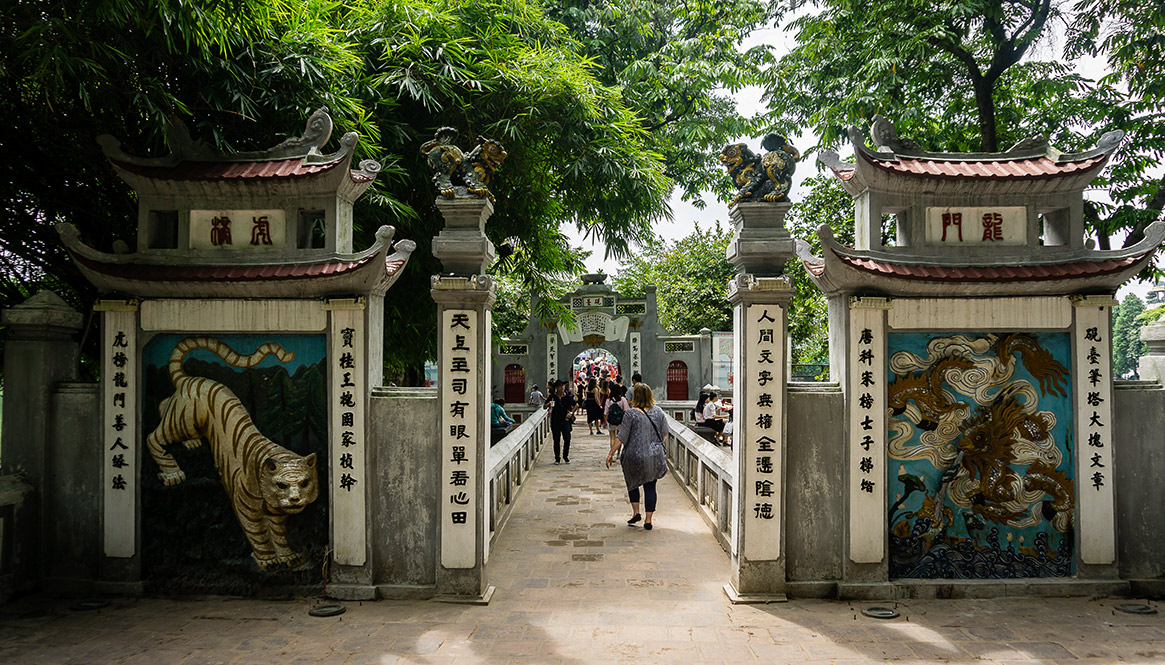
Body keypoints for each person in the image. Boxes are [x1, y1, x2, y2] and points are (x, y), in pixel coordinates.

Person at [606, 383, 668, 530]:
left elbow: (621, 437)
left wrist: (611, 453)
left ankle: (636, 512)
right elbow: (665, 433)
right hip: (654, 456)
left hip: (634, 455)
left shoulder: (631, 414)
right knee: (650, 486)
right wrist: (654, 444)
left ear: (635, 397)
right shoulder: (658, 412)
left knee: (632, 482)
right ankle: (648, 520)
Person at [545, 381, 577, 464]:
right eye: (560, 386)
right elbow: (544, 407)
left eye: (562, 386)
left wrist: (571, 413)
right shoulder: (552, 397)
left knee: (567, 439)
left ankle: (565, 456)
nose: (561, 388)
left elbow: (576, 405)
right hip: (555, 420)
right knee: (556, 440)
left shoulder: (567, 397)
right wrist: (548, 404)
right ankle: (557, 458)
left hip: (565, 420)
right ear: (556, 388)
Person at [604, 384, 630, 452]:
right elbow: (626, 411)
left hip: (611, 421)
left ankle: (612, 454)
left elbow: (606, 412)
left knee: (612, 437)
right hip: (620, 421)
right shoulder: (623, 399)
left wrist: (606, 421)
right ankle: (618, 453)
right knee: (619, 437)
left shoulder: (609, 400)